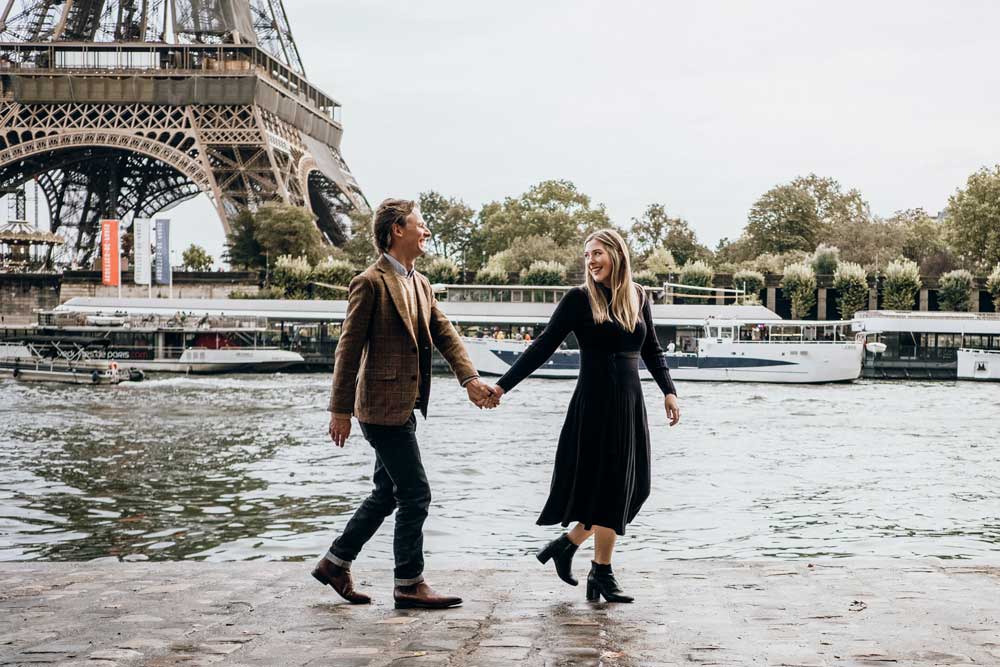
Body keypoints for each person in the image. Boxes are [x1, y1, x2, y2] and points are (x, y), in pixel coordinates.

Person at [316, 198, 497, 610]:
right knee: (415, 494)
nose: (427, 231)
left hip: (406, 406)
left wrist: (469, 379)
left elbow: (445, 333)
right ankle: (408, 583)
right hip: (379, 409)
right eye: (421, 224)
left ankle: (334, 562)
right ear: (397, 230)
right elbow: (348, 349)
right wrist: (339, 410)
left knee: (387, 492)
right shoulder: (370, 282)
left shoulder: (420, 282)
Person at [487, 229, 681, 603]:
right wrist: (502, 386)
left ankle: (568, 544)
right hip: (593, 404)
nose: (591, 261)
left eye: (597, 253)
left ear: (616, 254)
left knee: (632, 488)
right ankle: (601, 574)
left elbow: (652, 351)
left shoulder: (638, 296)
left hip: (629, 403)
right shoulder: (578, 299)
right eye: (586, 255)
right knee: (605, 489)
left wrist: (669, 391)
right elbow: (542, 347)